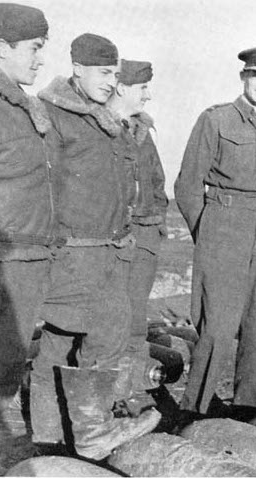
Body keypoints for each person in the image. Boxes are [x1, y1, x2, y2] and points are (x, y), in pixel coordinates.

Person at [31, 33, 159, 460]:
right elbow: (39, 185)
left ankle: (49, 439)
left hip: (101, 248)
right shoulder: (55, 115)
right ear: (78, 68)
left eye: (114, 74)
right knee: (107, 331)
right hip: (76, 250)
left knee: (59, 340)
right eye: (103, 73)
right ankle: (91, 434)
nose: (110, 81)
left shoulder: (93, 116)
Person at [174, 46, 256, 418]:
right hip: (224, 229)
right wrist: (207, 232)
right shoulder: (217, 119)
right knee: (217, 328)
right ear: (244, 77)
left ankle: (248, 409)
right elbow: (188, 185)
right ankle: (196, 409)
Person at [0, 3, 53, 429]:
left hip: (20, 263)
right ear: (1, 47)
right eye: (35, 48)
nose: (41, 58)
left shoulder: (16, 104)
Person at [107, 59, 168, 341]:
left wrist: (155, 228)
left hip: (144, 237)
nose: (148, 94)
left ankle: (134, 382)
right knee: (108, 316)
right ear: (120, 88)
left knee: (136, 317)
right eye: (142, 87)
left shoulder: (142, 133)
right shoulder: (99, 129)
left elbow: (158, 183)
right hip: (111, 236)